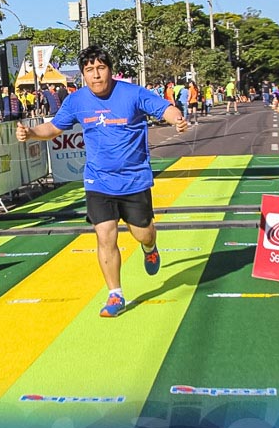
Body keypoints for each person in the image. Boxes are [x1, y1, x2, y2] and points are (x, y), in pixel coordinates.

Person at [15, 45, 188, 318]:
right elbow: (53, 128)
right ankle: (115, 294)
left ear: (110, 69)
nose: (96, 75)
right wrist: (31, 132)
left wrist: (177, 119)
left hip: (134, 180)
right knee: (105, 235)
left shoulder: (132, 93)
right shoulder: (76, 100)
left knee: (142, 232)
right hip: (98, 181)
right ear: (83, 74)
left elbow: (165, 108)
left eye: (101, 68)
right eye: (89, 70)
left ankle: (150, 247)